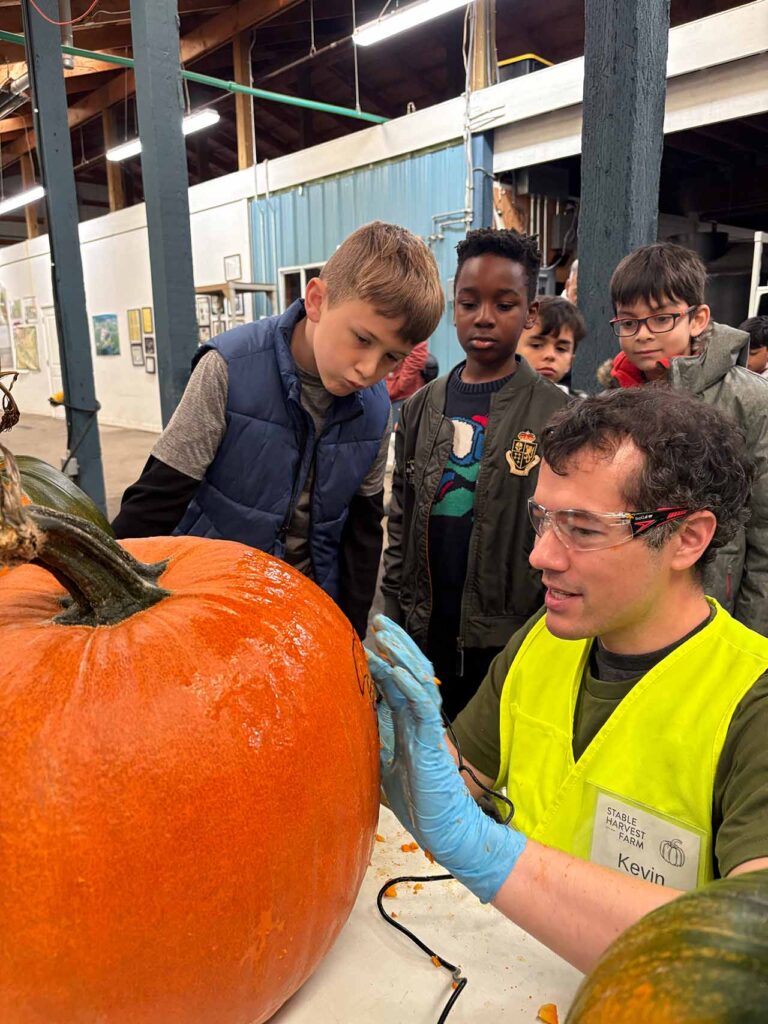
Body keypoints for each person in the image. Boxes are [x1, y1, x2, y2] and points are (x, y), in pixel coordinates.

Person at [368, 387, 768, 976]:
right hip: (513, 976)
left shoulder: (751, 699)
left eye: (582, 529)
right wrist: (391, 753)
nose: (541, 556)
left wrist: (484, 850)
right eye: (543, 520)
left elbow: (750, 948)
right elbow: (461, 779)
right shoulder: (545, 639)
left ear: (687, 538)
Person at [112, 221, 444, 638]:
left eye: (391, 358)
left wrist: (351, 634)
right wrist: (100, 596)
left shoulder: (376, 409)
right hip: (210, 603)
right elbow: (156, 501)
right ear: (317, 300)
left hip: (307, 609)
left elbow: (362, 533)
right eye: (362, 339)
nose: (369, 369)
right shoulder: (227, 369)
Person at [380, 228, 568, 720]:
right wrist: (392, 613)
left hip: (509, 635)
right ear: (454, 308)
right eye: (469, 303)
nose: (484, 317)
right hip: (426, 628)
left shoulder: (555, 413)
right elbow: (400, 516)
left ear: (530, 312)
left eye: (504, 305)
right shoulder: (420, 407)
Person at [606, 242, 768, 635]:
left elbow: (764, 531)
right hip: (628, 604)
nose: (643, 334)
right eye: (628, 322)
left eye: (661, 318)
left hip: (714, 607)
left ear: (698, 319)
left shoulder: (750, 399)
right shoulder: (611, 401)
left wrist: (752, 637)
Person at [517, 295, 587, 395]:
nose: (550, 355)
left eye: (561, 349)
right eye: (536, 345)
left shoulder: (581, 403)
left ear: (570, 361)